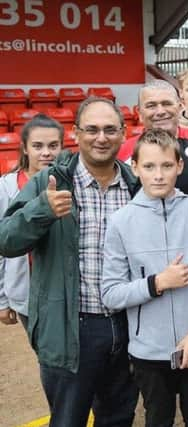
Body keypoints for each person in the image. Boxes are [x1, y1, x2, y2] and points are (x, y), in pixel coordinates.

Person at [0, 97, 139, 426]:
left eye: (109, 129)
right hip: (70, 327)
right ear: (76, 133)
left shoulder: (137, 184)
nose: (100, 137)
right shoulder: (50, 181)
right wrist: (42, 211)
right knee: (67, 419)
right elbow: (6, 240)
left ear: (122, 134)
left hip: (129, 324)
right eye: (91, 129)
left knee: (119, 417)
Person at [101, 128, 188, 427]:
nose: (158, 175)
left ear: (180, 166)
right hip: (149, 352)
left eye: (167, 166)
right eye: (149, 166)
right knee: (158, 419)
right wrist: (157, 283)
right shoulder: (121, 222)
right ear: (134, 168)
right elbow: (111, 293)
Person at [0, 114, 63, 329]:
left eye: (53, 145)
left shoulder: (71, 182)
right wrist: (1, 299)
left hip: (64, 290)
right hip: (25, 291)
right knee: (45, 353)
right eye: (37, 146)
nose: (46, 152)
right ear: (25, 148)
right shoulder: (6, 187)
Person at [118, 80, 188, 197]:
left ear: (180, 107)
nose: (160, 111)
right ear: (139, 113)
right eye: (151, 105)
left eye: (167, 103)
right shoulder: (124, 151)